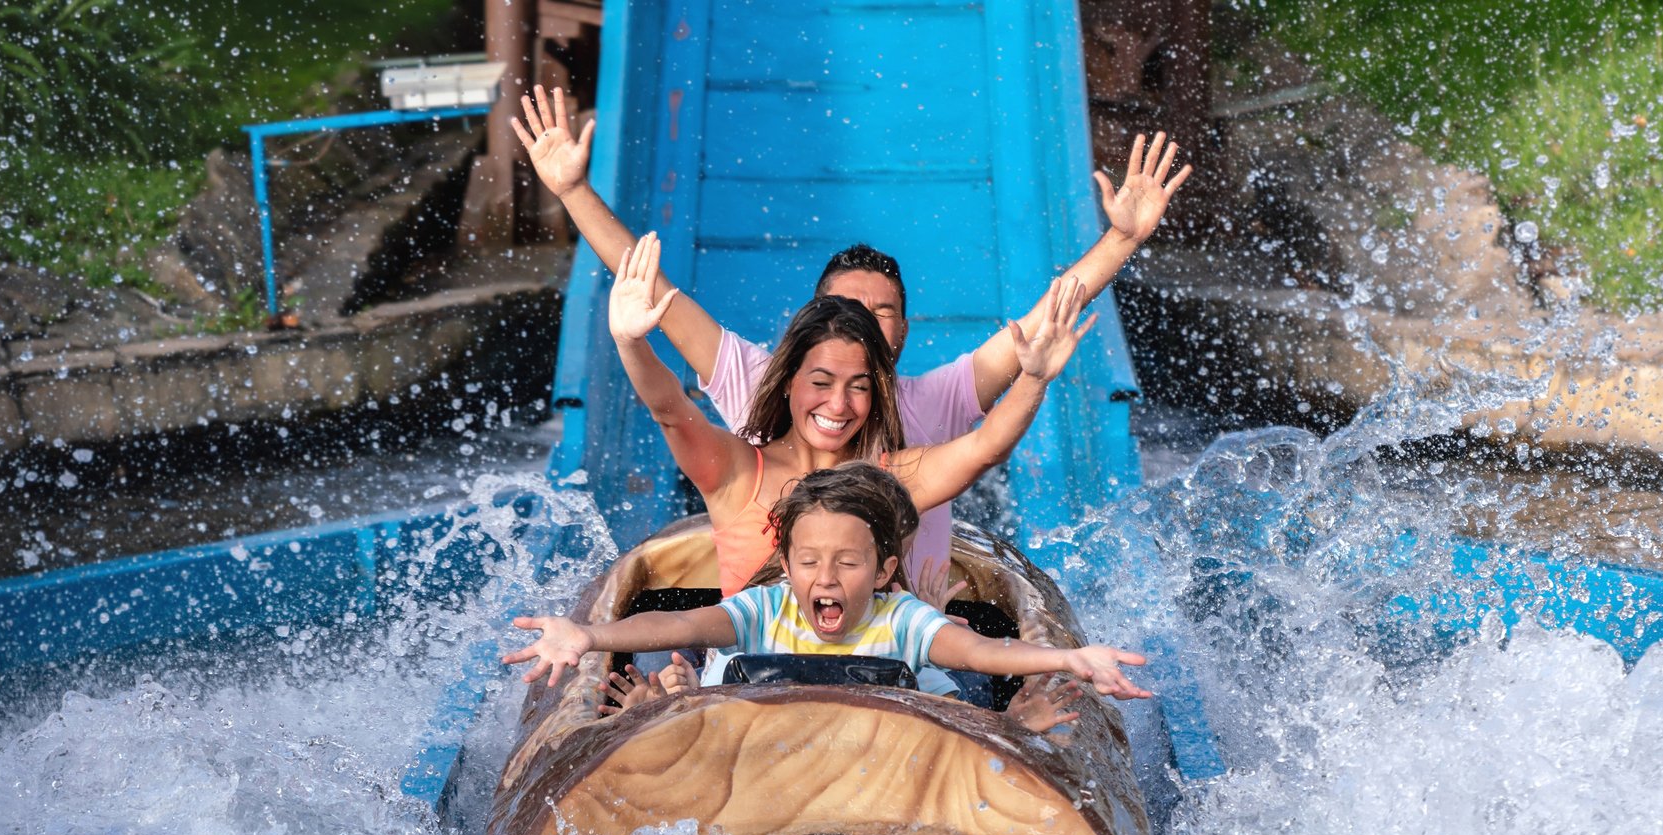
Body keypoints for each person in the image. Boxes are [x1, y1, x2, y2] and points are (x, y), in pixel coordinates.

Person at [513, 86, 1193, 571]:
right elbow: (649, 296)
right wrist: (573, 192)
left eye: (882, 312)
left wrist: (1120, 241)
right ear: (809, 331)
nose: (861, 323)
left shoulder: (931, 410)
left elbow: (1029, 345)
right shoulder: (752, 395)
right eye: (844, 309)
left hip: (902, 654)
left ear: (902, 334)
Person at [607, 232, 1092, 598]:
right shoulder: (738, 471)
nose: (838, 405)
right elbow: (669, 409)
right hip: (752, 690)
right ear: (788, 378)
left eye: (858, 388)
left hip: (873, 691)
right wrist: (630, 342)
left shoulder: (892, 479)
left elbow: (986, 449)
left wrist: (1033, 380)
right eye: (821, 383)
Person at [505, 463, 1153, 710]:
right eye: (809, 561)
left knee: (959, 699)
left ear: (882, 573)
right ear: (785, 568)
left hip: (871, 765)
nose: (825, 578)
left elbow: (984, 654)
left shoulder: (898, 621)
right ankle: (669, 705)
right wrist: (587, 633)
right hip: (761, 759)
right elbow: (674, 627)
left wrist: (1068, 658)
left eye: (848, 563)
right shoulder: (765, 610)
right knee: (687, 687)